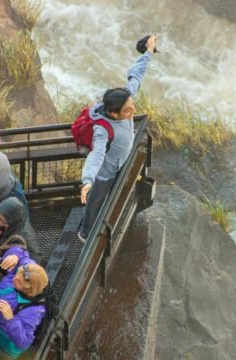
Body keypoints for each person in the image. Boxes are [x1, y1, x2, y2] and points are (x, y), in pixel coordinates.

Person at [78, 36, 157, 242]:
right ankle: (85, 234)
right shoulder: (103, 129)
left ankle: (105, 221)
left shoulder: (125, 98)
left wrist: (148, 53)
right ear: (113, 113)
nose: (133, 110)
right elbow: (96, 155)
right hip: (104, 175)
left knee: (111, 199)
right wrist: (88, 181)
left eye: (132, 106)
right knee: (95, 203)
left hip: (120, 165)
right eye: (128, 110)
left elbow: (135, 77)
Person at [0, 261, 49, 358]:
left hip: (5, 341)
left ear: (28, 290)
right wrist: (15, 256)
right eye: (17, 273)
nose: (14, 278)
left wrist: (10, 319)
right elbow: (22, 255)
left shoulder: (32, 311)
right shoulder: (26, 271)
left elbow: (24, 342)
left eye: (18, 281)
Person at [0, 197, 41, 262]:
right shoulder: (10, 223)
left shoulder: (26, 235)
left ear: (11, 220)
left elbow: (35, 258)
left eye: (1, 219)